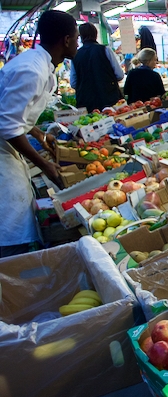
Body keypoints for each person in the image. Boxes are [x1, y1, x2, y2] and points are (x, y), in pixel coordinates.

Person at [0, 10, 78, 257]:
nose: (77, 43)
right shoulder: (32, 70)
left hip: (7, 148)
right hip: (2, 154)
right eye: (76, 37)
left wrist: (38, 134)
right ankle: (12, 272)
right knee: (10, 223)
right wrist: (44, 164)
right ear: (66, 40)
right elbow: (8, 125)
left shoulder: (40, 63)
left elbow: (16, 113)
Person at [70, 23, 124, 113]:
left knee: (91, 125)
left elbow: (73, 83)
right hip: (109, 99)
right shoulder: (105, 50)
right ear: (96, 34)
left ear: (80, 37)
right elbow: (119, 75)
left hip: (86, 102)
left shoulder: (75, 55)